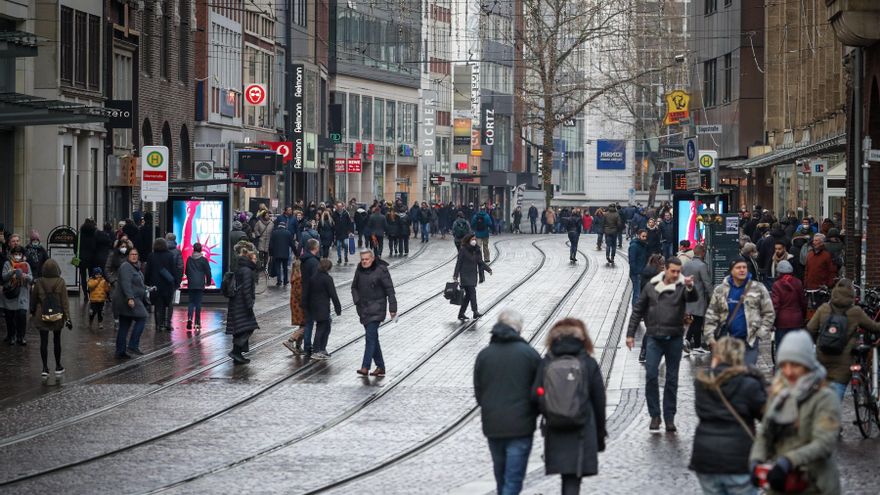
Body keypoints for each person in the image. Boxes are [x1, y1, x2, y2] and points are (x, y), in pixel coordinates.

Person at [749, 330, 840, 494]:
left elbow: (824, 443)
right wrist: (756, 459)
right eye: (784, 365)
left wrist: (789, 461)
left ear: (807, 365)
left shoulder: (824, 396)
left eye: (795, 365)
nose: (788, 372)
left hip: (814, 485)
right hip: (780, 484)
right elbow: (765, 434)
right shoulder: (778, 393)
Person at [533, 318, 606, 495]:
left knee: (566, 475)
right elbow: (599, 400)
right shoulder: (588, 362)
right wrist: (600, 433)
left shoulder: (547, 361)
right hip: (582, 426)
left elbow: (536, 394)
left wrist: (549, 411)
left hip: (555, 427)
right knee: (573, 478)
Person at [626, 257, 697, 432]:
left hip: (674, 338)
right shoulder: (652, 286)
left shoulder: (682, 286)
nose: (676, 274)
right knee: (651, 375)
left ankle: (669, 417)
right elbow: (638, 309)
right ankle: (655, 415)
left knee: (672, 379)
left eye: (678, 272)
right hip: (654, 337)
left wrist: (690, 286)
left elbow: (692, 297)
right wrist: (630, 334)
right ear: (665, 269)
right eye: (673, 271)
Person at [474, 310, 541, 495]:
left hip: (493, 425)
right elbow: (539, 391)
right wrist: (533, 413)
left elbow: (479, 392)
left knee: (501, 476)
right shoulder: (529, 354)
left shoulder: (484, 355)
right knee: (513, 479)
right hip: (521, 426)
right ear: (518, 329)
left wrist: (490, 408)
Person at [689, 337, 767, 495]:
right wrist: (761, 381)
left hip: (706, 459)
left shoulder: (702, 382)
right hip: (738, 459)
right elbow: (765, 414)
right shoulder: (749, 384)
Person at [806, 278, 880, 403]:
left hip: (822, 357)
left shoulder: (824, 309)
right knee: (835, 400)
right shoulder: (855, 312)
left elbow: (810, 329)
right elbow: (874, 327)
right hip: (844, 362)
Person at [703, 257, 775, 366]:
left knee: (746, 371)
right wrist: (710, 338)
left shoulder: (758, 288)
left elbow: (769, 312)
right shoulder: (720, 290)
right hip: (727, 341)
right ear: (731, 270)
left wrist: (760, 333)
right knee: (729, 372)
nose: (742, 270)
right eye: (738, 267)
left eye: (744, 267)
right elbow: (711, 315)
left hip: (749, 341)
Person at [352, 248, 397, 377]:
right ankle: (380, 366)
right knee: (373, 338)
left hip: (377, 308)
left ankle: (365, 366)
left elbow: (390, 290)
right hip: (363, 309)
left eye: (367, 259)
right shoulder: (359, 270)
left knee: (370, 337)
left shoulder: (381, 270)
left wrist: (392, 308)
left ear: (372, 258)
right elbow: (354, 287)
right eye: (362, 259)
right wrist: (357, 301)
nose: (364, 262)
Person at [29, 259, 72, 377]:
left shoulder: (39, 282)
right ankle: (58, 366)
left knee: (43, 342)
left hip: (41, 315)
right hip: (57, 315)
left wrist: (32, 312)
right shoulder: (61, 282)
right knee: (57, 340)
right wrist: (68, 318)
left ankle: (45, 368)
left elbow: (33, 299)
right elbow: (65, 302)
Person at [303, 259, 342, 360]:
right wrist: (338, 308)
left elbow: (306, 292)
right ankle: (317, 350)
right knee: (321, 328)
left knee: (326, 326)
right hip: (322, 307)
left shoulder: (313, 277)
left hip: (313, 306)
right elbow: (333, 294)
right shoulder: (327, 279)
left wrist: (305, 306)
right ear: (328, 268)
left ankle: (322, 349)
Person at [113, 248, 148, 358]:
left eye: (136, 254)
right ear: (128, 256)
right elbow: (126, 283)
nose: (134, 256)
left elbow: (138, 283)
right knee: (142, 317)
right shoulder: (126, 267)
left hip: (132, 299)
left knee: (124, 325)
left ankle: (120, 351)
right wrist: (130, 298)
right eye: (132, 254)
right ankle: (133, 345)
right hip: (129, 300)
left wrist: (147, 288)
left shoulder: (135, 267)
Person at [226, 249, 259, 364]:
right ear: (249, 259)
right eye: (254, 258)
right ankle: (236, 352)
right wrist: (249, 304)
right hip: (242, 304)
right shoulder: (247, 271)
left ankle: (238, 354)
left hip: (236, 302)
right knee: (248, 327)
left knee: (240, 328)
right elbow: (246, 289)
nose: (256, 260)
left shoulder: (241, 268)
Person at [453, 233, 493, 321]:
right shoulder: (463, 250)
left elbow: (480, 262)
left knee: (468, 296)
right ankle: (475, 312)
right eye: (472, 239)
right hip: (465, 275)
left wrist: (488, 269)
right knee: (472, 293)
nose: (474, 241)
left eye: (475, 239)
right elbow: (459, 263)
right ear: (468, 240)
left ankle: (461, 313)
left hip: (473, 275)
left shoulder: (476, 250)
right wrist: (455, 275)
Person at [682, 244, 712, 355]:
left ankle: (687, 340)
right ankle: (697, 346)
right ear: (702, 253)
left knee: (694, 321)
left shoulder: (687, 264)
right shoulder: (702, 266)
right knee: (698, 321)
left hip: (688, 296)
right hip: (699, 297)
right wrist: (713, 296)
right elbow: (707, 283)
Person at [770, 260, 806, 351]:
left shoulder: (777, 285)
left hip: (782, 322)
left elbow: (775, 305)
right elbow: (803, 302)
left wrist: (772, 322)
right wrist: (803, 317)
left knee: (781, 349)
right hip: (797, 321)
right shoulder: (798, 282)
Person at [144, 238, 178, 332]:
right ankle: (167, 323)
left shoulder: (151, 256)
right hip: (167, 284)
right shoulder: (169, 255)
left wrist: (147, 283)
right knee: (167, 303)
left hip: (155, 284)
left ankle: (158, 325)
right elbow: (173, 270)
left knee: (158, 305)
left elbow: (148, 271)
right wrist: (175, 282)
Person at [2, 245, 33, 345]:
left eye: (19, 254)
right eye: (16, 254)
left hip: (22, 294)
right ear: (12, 254)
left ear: (22, 255)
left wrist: (25, 276)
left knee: (22, 315)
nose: (17, 256)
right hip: (10, 294)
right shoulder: (7, 264)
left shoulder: (26, 264)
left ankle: (21, 336)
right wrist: (12, 272)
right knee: (10, 317)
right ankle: (11, 336)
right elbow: (4, 277)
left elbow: (31, 278)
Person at [296, 239, 321, 356]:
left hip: (305, 294)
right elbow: (316, 280)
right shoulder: (313, 262)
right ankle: (314, 347)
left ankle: (307, 346)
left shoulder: (304, 260)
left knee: (308, 322)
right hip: (313, 296)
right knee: (320, 322)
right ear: (315, 248)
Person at [185, 242, 212, 335]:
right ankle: (197, 322)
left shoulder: (189, 259)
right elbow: (208, 272)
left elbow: (186, 271)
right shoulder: (203, 260)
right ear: (200, 250)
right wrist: (208, 282)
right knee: (198, 303)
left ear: (193, 249)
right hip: (200, 284)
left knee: (191, 302)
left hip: (191, 284)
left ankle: (189, 318)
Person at [284, 260, 307, 354]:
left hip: (296, 305)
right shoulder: (299, 279)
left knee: (303, 325)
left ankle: (298, 346)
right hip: (299, 306)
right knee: (306, 325)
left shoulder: (295, 277)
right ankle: (290, 340)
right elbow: (300, 294)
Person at [269, 221, 296, 287]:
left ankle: (279, 281)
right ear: (285, 226)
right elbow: (292, 244)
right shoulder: (288, 233)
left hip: (276, 253)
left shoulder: (274, 233)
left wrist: (271, 254)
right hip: (285, 254)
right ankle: (285, 281)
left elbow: (271, 245)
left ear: (279, 226)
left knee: (278, 267)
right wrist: (296, 253)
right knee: (285, 267)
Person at [628, 230, 649, 306]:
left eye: (646, 236)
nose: (644, 238)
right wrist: (636, 272)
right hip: (637, 273)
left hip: (642, 272)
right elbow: (632, 260)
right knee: (637, 293)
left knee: (640, 292)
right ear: (638, 235)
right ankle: (635, 310)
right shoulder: (634, 246)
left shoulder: (644, 245)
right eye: (643, 236)